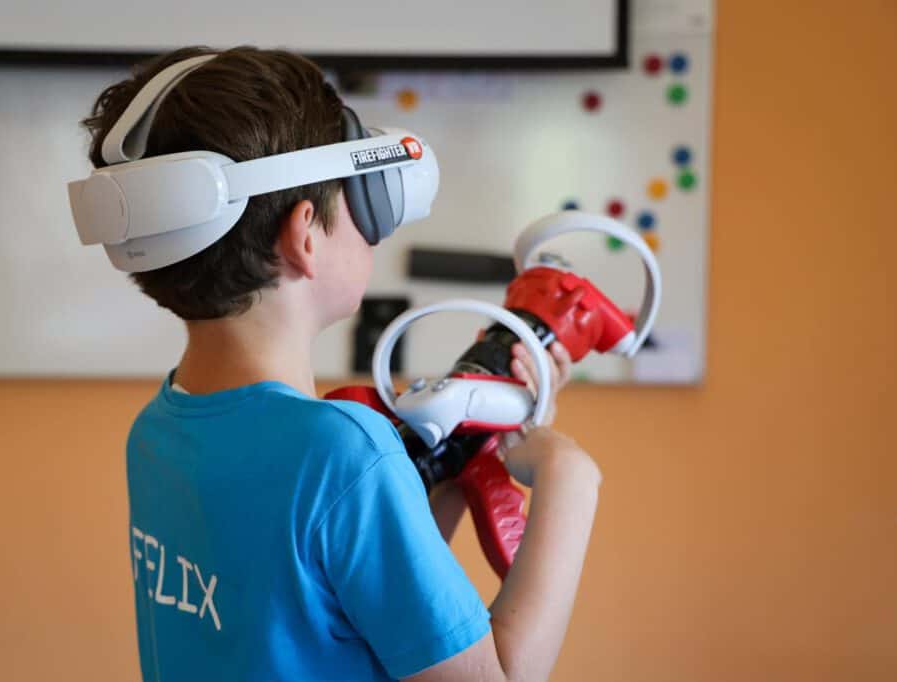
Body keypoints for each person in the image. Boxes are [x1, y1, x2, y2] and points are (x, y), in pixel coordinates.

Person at [79, 45, 602, 681]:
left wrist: (458, 457)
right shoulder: (342, 453)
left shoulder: (158, 434)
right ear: (305, 235)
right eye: (359, 202)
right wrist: (568, 476)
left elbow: (353, 609)